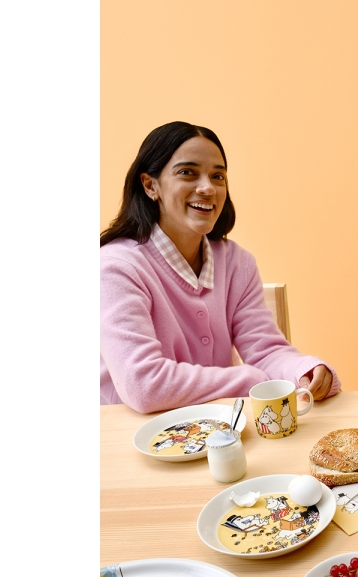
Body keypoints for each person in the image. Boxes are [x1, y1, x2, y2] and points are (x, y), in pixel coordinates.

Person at [100, 121, 340, 413]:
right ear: (151, 185)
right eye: (187, 172)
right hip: (127, 434)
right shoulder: (115, 268)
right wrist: (252, 380)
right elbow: (144, 385)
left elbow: (265, 351)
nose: (207, 188)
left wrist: (304, 371)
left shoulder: (237, 263)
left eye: (218, 176)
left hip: (216, 429)